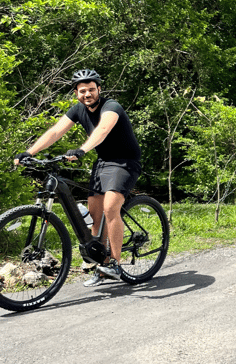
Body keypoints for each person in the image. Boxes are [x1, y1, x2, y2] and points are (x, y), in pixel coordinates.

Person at [14, 69, 142, 287]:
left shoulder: (112, 107)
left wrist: (82, 149)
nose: (87, 94)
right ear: (76, 93)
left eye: (91, 89)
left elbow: (102, 129)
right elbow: (55, 132)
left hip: (125, 162)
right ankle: (101, 265)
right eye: (83, 91)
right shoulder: (77, 110)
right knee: (95, 213)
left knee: (111, 207)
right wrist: (30, 152)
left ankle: (115, 264)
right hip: (102, 162)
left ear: (99, 89)